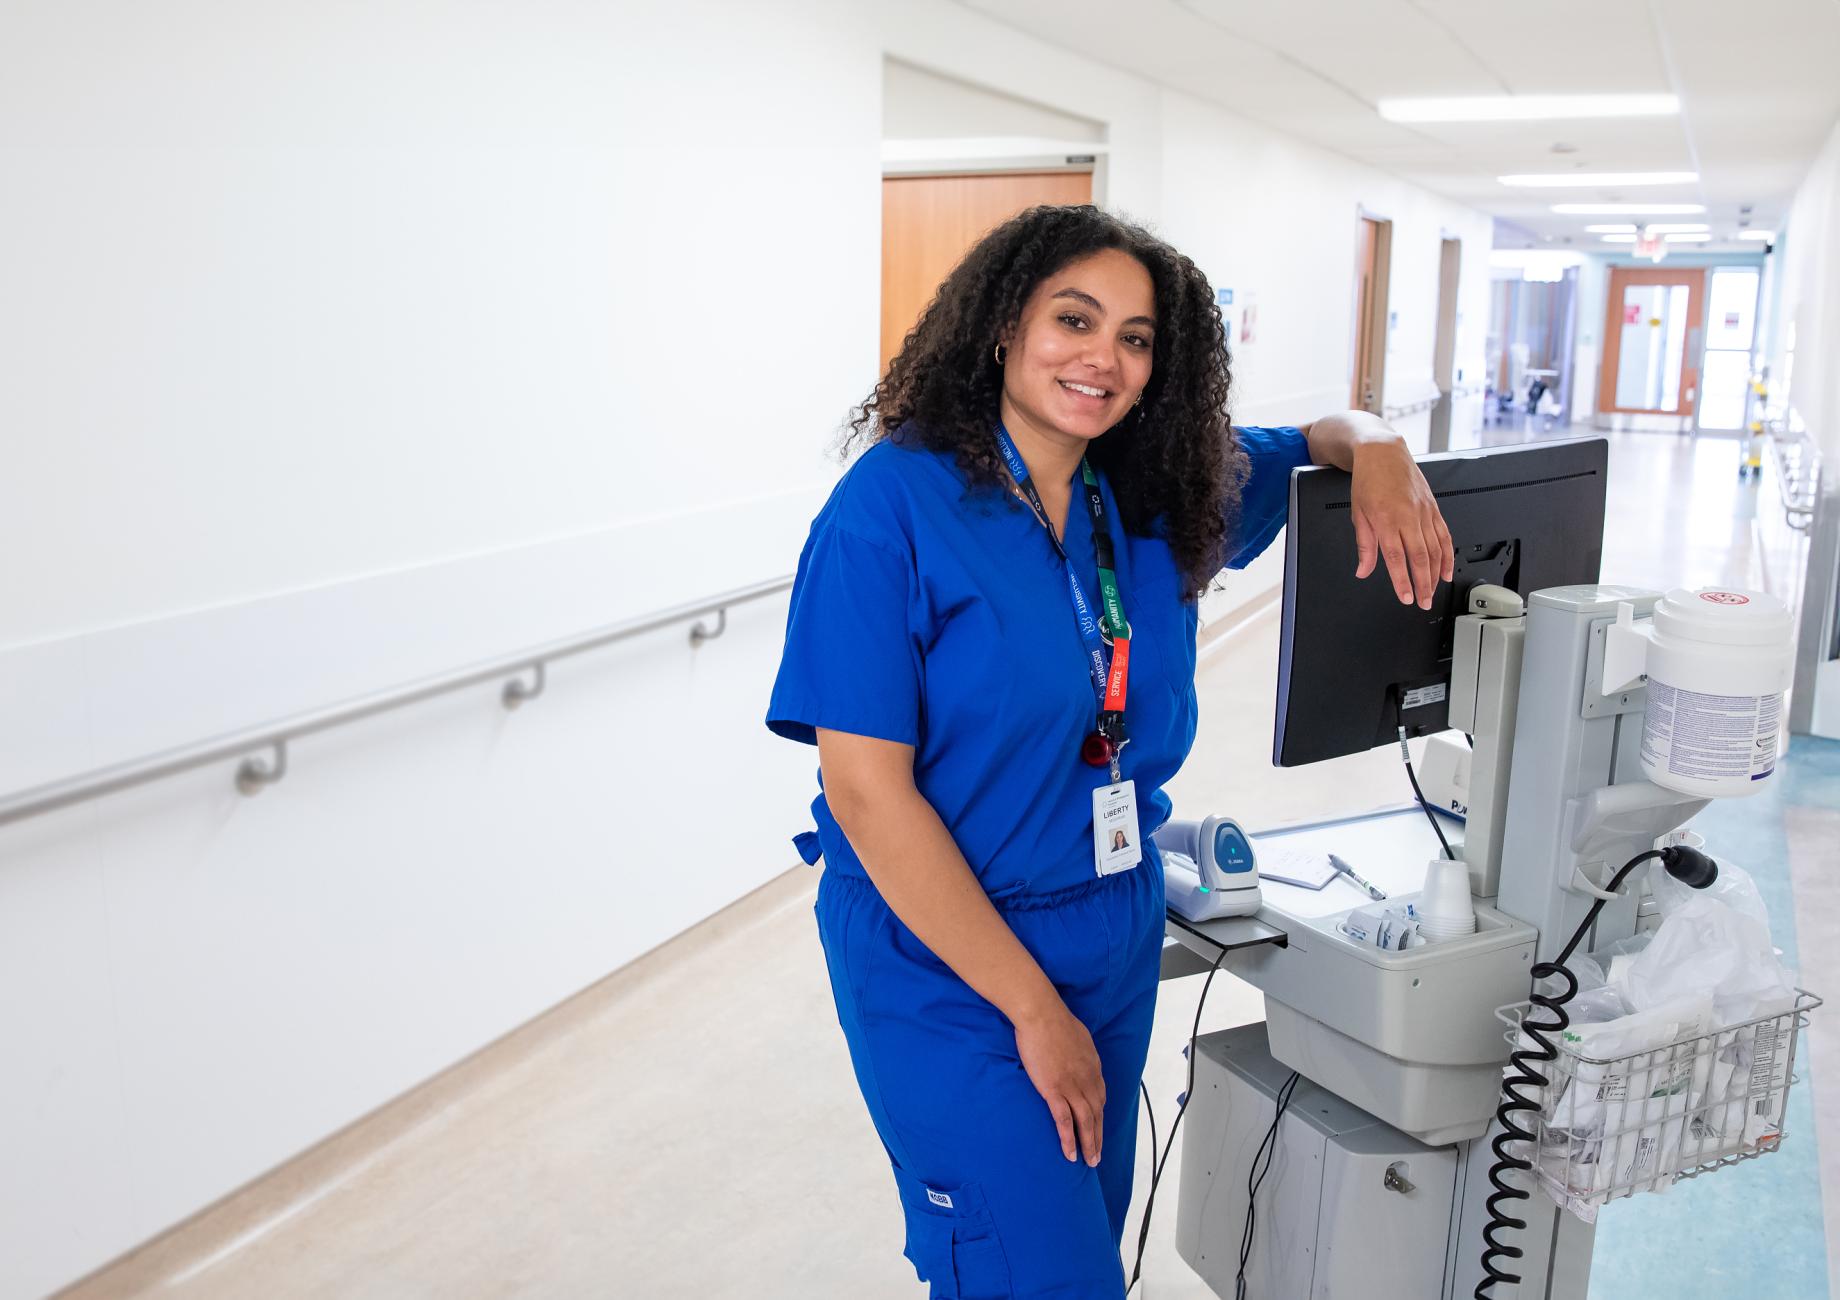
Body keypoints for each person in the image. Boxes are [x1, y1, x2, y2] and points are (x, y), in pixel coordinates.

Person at [766, 205, 1452, 1298]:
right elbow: (863, 791)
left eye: (1136, 338)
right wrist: (1032, 1010)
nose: (1105, 357)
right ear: (1000, 326)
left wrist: (1377, 445)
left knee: (1083, 1243)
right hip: (946, 953)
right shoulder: (887, 510)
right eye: (1073, 319)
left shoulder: (1151, 490)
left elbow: (1327, 434)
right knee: (1024, 1268)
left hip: (1109, 924)